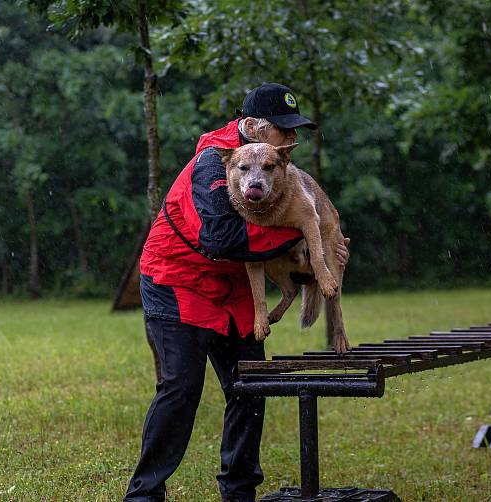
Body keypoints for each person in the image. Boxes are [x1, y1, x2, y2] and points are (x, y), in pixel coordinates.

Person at [124, 83, 349, 502]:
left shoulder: (271, 166)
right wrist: (300, 238)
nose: (292, 139)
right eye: (285, 130)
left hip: (235, 289)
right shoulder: (213, 162)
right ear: (257, 130)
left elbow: (296, 216)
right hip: (178, 283)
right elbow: (222, 238)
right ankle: (144, 495)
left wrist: (319, 240)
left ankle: (240, 492)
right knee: (180, 390)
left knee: (249, 388)